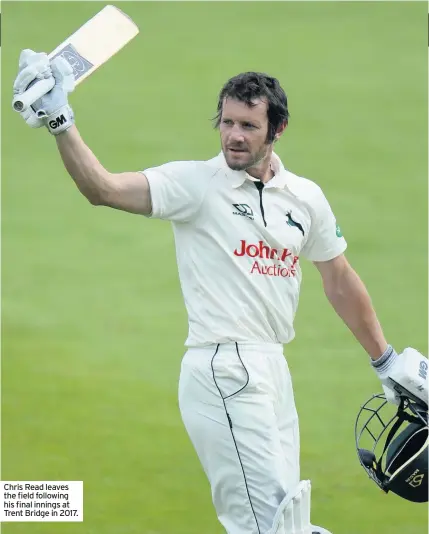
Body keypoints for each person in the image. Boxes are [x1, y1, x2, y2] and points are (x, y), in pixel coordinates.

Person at [13, 50, 428, 534]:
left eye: (249, 126)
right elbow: (102, 188)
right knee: (270, 529)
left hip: (275, 371)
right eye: (227, 122)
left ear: (278, 129)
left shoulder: (305, 197)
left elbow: (338, 279)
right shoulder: (196, 184)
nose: (234, 135)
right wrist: (61, 122)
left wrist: (386, 360)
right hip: (222, 369)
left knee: (286, 522)